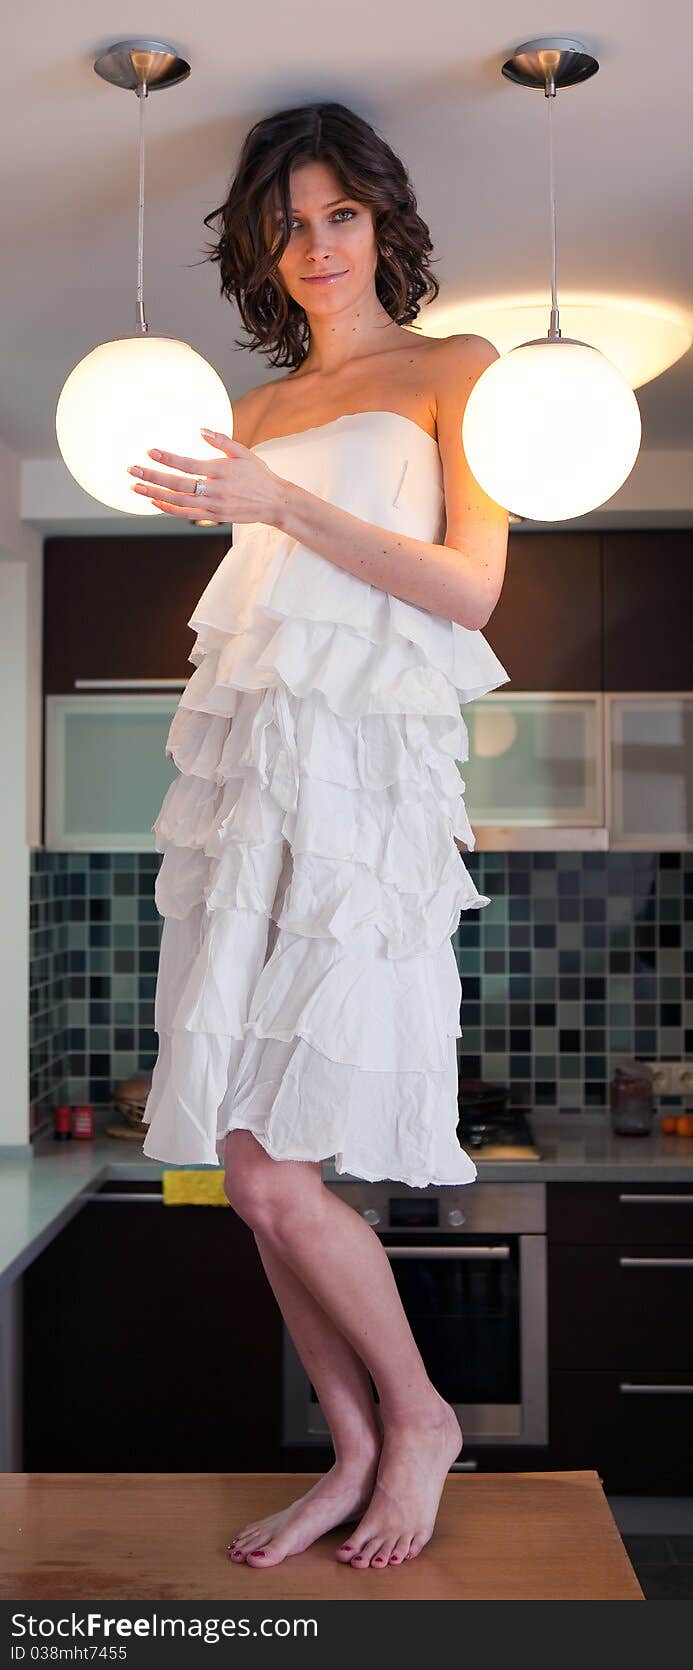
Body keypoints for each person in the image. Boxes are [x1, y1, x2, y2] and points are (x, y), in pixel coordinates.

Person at [135, 101, 509, 1571]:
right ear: (258, 243)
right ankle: (353, 1443)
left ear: (382, 220)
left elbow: (468, 590)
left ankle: (416, 1417)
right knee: (247, 1174)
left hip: (364, 790)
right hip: (258, 793)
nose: (312, 244)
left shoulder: (455, 369)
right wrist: (248, 491)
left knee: (284, 1174)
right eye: (285, 221)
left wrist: (276, 501)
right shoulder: (251, 412)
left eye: (337, 212)